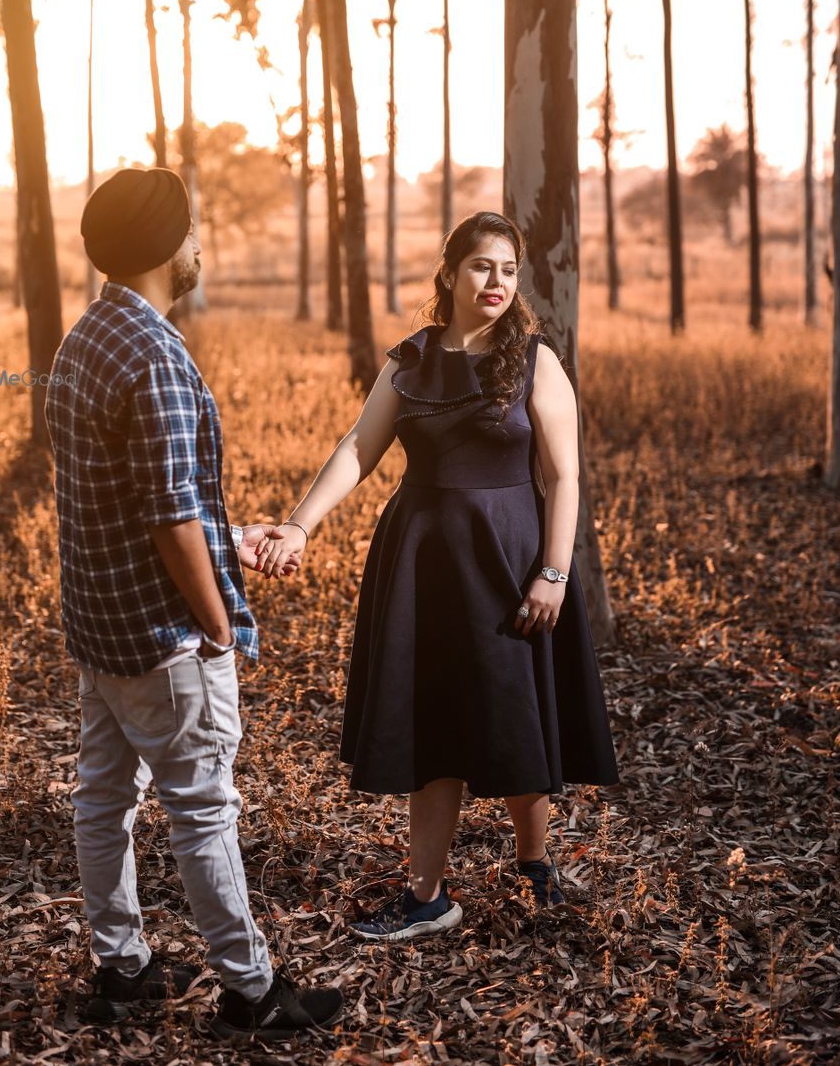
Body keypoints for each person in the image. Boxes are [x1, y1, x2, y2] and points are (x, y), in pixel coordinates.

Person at [256, 210, 619, 940]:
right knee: (434, 719)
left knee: (514, 706)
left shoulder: (536, 359)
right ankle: (426, 897)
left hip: (511, 558)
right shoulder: (412, 360)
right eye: (483, 266)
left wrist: (553, 571)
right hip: (422, 564)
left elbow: (563, 474)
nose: (497, 282)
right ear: (450, 272)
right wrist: (299, 523)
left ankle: (535, 863)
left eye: (509, 270)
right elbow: (359, 447)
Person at [44, 166, 342, 1037]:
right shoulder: (158, 357)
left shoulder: (83, 342)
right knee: (204, 807)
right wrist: (216, 624)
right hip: (165, 636)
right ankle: (250, 991)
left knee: (102, 799)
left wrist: (230, 535)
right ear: (169, 248)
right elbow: (171, 517)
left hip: (99, 627)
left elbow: (129, 495)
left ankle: (122, 966)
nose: (198, 243)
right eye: (190, 229)